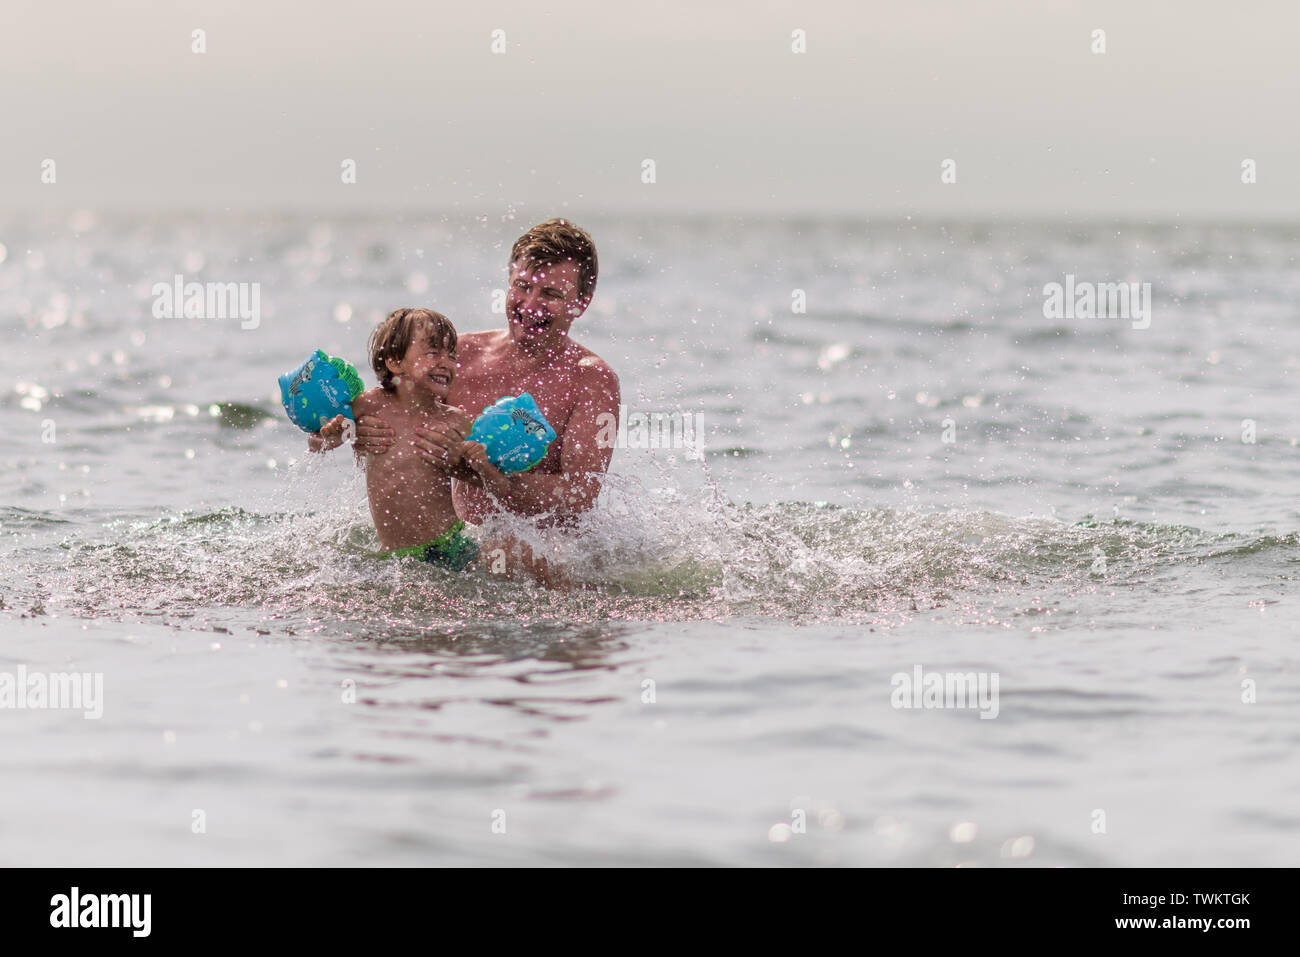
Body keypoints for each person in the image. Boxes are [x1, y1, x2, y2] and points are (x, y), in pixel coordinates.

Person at [314, 219, 620, 582]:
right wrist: (360, 433)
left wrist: (495, 481)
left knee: (522, 556)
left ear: (581, 303)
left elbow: (581, 494)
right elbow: (386, 409)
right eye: (522, 287)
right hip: (459, 546)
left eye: (550, 295)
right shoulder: (460, 357)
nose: (530, 305)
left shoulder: (591, 379)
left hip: (541, 551)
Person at [313, 306, 503, 571]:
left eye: (452, 355)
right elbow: (317, 443)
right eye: (433, 352)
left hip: (451, 544)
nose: (446, 363)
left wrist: (472, 462)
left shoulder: (454, 421)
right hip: (397, 556)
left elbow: (491, 482)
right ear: (394, 362)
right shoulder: (368, 406)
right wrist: (332, 434)